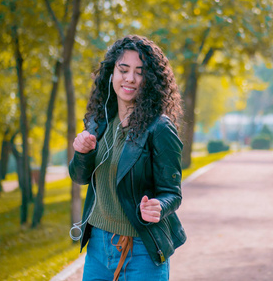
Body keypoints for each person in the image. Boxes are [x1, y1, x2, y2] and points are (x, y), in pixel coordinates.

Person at [69, 35, 186, 281]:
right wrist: (82, 153)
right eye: (123, 69)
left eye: (139, 72)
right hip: (98, 248)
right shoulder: (98, 121)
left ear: (150, 80)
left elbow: (172, 193)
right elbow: (80, 177)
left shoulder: (160, 128)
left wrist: (158, 206)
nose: (130, 78)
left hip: (142, 249)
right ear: (112, 73)